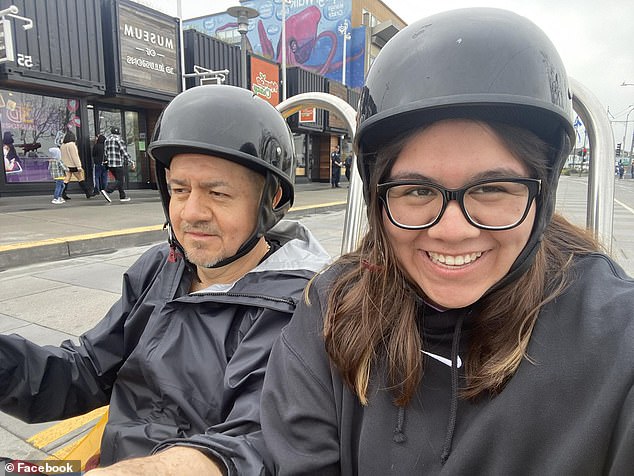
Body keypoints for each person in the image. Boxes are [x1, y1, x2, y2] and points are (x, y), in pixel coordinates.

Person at [260, 8, 634, 475]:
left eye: (492, 189)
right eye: (416, 191)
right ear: (378, 199)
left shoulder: (616, 341)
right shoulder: (331, 314)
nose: (453, 230)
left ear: (542, 191)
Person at [0, 85, 330, 473]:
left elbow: (255, 443)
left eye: (218, 193)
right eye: (179, 190)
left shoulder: (297, 307)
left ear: (270, 200)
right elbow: (87, 368)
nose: (191, 213)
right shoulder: (162, 267)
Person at [104, 126, 135, 202]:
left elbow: (105, 152)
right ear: (118, 133)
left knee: (118, 180)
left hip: (110, 164)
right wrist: (131, 161)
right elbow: (123, 152)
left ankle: (122, 196)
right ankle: (107, 190)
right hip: (118, 163)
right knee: (120, 180)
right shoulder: (119, 140)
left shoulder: (106, 140)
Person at [60, 130, 92, 199]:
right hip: (73, 165)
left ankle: (62, 193)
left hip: (66, 164)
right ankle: (88, 192)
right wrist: (79, 166)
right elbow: (75, 156)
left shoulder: (62, 145)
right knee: (80, 178)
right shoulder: (72, 144)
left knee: (66, 179)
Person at [92, 134, 111, 202]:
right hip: (105, 163)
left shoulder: (96, 146)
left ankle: (97, 189)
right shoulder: (106, 146)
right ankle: (105, 189)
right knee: (105, 176)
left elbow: (93, 154)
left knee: (96, 176)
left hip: (98, 163)